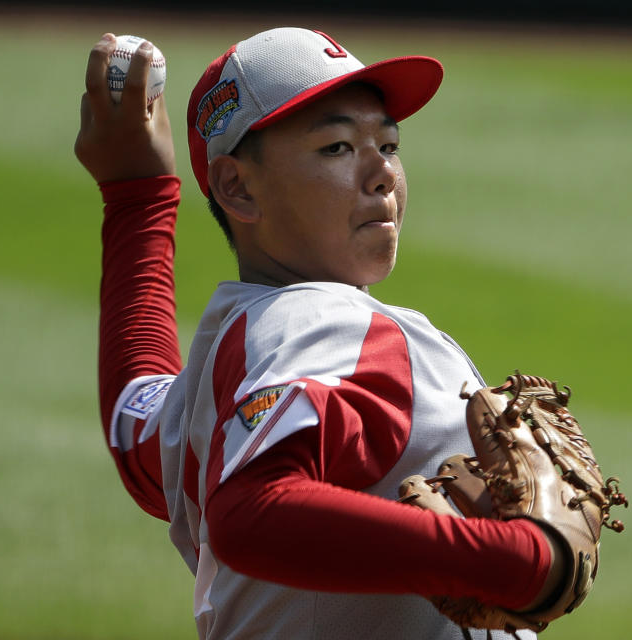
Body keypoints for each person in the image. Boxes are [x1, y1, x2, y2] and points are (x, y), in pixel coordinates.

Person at [75, 27, 566, 640]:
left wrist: (137, 197)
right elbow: (251, 514)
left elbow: (134, 415)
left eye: (387, 144)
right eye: (337, 147)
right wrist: (508, 561)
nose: (382, 173)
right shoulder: (322, 323)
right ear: (236, 187)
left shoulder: (240, 356)